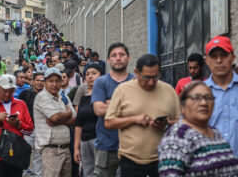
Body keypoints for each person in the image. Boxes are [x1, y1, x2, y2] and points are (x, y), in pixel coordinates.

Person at [105, 54, 180, 177]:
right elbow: (109, 122)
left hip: (163, 159)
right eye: (146, 77)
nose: (151, 82)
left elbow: (181, 122)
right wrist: (134, 119)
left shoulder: (169, 91)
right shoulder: (123, 90)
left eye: (155, 77)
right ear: (136, 72)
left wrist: (166, 123)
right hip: (131, 161)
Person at [158, 81, 238, 177]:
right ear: (182, 106)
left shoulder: (215, 133)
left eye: (208, 98)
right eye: (196, 98)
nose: (204, 103)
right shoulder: (177, 137)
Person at [91, 42, 134, 177]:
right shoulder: (101, 82)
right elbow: (98, 110)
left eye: (122, 54)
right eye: (114, 55)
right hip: (106, 145)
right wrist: (127, 105)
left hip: (131, 145)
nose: (118, 58)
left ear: (129, 58)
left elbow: (141, 109)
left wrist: (110, 103)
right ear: (109, 60)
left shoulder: (136, 81)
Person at [33, 68, 76, 177]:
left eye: (57, 81)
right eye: (51, 81)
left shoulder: (64, 97)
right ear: (45, 82)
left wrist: (60, 121)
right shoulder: (42, 97)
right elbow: (55, 117)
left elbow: (75, 118)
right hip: (50, 150)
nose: (54, 84)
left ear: (61, 82)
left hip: (66, 149)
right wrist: (68, 112)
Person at [0, 74, 34, 177]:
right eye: (5, 90)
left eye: (11, 90)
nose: (7, 94)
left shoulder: (21, 104)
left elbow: (30, 129)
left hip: (16, 155)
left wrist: (19, 124)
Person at [74, 63, 104, 177]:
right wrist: (76, 148)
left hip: (101, 142)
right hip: (84, 143)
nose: (90, 76)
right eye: (87, 74)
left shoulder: (106, 96)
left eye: (94, 73)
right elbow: (78, 123)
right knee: (88, 173)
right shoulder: (83, 98)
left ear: (102, 76)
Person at [19, 72, 44, 177]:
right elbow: (19, 110)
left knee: (39, 154)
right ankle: (23, 173)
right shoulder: (25, 94)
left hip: (42, 129)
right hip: (28, 129)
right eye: (37, 80)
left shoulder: (47, 95)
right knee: (24, 152)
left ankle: (36, 174)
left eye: (42, 80)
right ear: (33, 81)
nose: (39, 82)